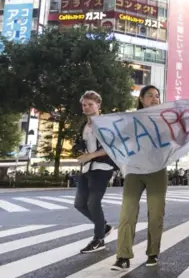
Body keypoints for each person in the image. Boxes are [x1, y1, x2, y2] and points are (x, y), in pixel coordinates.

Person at [111, 85, 166, 271]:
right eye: (150, 95)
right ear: (141, 99)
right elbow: (117, 139)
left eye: (157, 96)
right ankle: (123, 256)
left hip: (157, 170)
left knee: (156, 213)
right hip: (134, 170)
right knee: (127, 213)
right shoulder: (130, 121)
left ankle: (153, 253)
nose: (154, 98)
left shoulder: (164, 120)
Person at [73, 90, 116, 254]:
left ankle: (99, 239)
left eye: (90, 104)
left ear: (98, 105)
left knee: (93, 202)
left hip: (102, 168)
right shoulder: (83, 126)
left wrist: (91, 155)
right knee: (79, 204)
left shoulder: (105, 124)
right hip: (86, 168)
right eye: (84, 105)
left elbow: (110, 147)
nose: (86, 107)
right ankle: (103, 227)